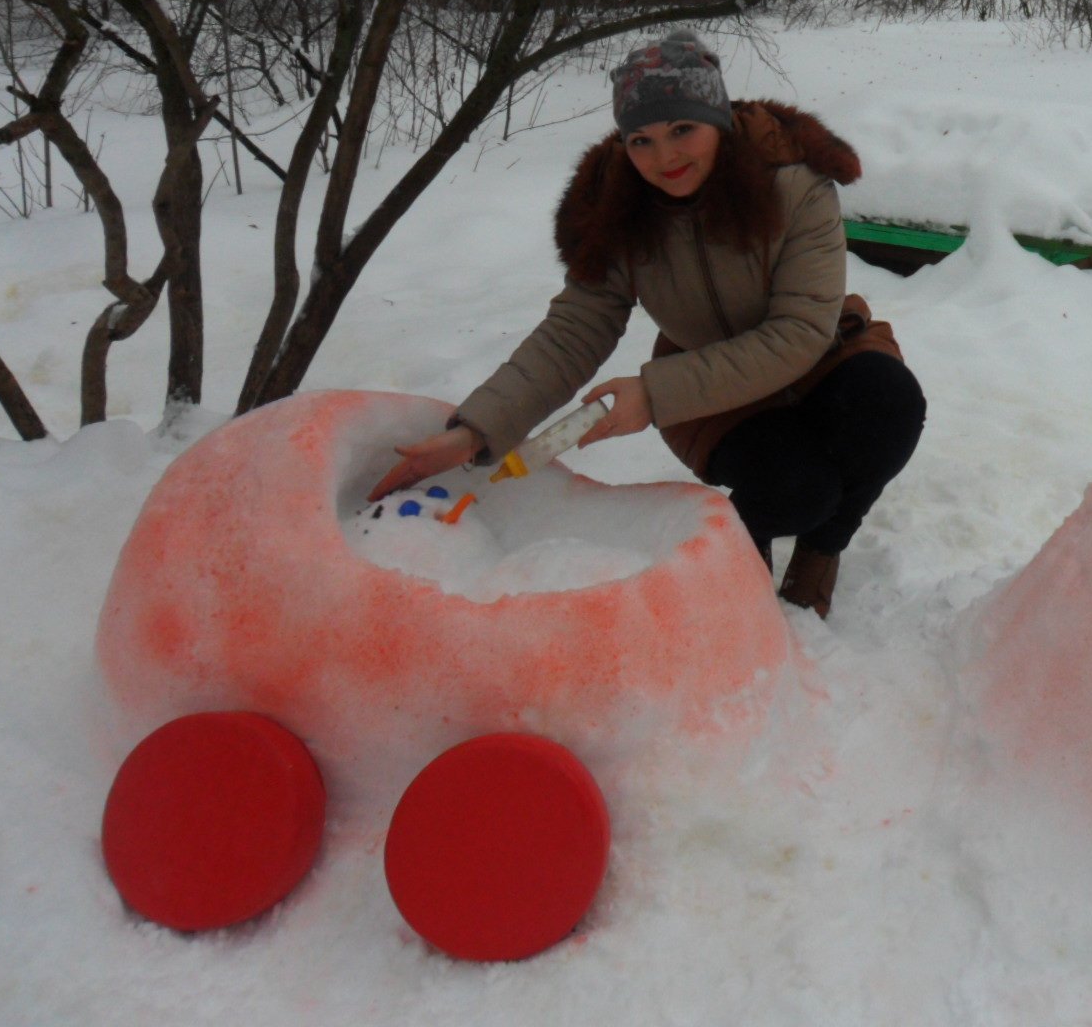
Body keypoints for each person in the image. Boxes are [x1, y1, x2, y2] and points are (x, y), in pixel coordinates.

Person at [371, 31, 925, 617]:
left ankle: (822, 549)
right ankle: (738, 548)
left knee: (887, 407)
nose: (665, 158)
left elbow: (797, 333)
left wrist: (654, 393)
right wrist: (476, 430)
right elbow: (575, 330)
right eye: (642, 140)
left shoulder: (792, 182)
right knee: (797, 491)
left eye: (683, 129)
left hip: (817, 356)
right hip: (709, 392)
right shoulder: (618, 208)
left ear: (718, 119)